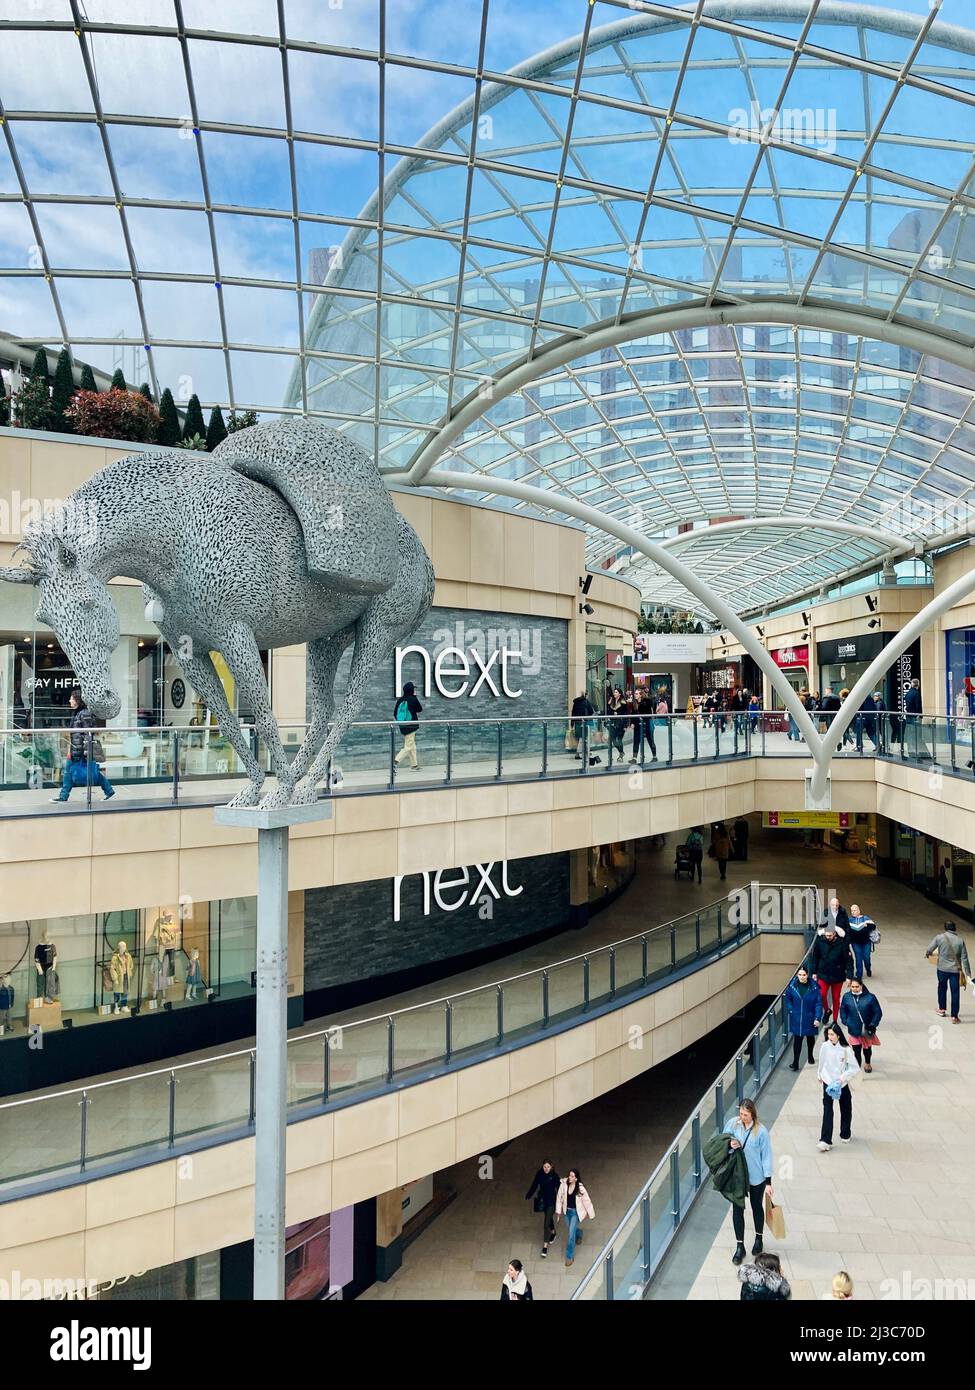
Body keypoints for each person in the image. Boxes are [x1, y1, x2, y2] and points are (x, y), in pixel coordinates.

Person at [725, 1098, 773, 1264]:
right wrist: (730, 1145)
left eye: (745, 1114)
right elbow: (723, 1140)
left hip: (756, 1177)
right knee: (737, 1209)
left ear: (752, 1114)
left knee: (756, 1207)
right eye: (741, 1114)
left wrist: (768, 1182)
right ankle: (740, 1246)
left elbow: (766, 1157)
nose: (742, 1117)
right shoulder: (733, 1124)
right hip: (738, 1176)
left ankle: (759, 1238)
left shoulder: (761, 1132)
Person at [50, 688, 115, 805]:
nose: (69, 700)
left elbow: (88, 733)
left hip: (81, 751)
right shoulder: (79, 713)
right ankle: (108, 790)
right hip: (76, 749)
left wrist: (86, 751)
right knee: (72, 772)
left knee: (76, 772)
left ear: (77, 700)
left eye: (71, 698)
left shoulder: (84, 713)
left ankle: (63, 796)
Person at [817, 1021, 859, 1151]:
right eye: (829, 1034)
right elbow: (822, 1062)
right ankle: (825, 1139)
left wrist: (841, 1079)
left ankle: (845, 1133)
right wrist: (819, 1075)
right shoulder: (825, 1046)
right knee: (827, 1109)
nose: (830, 1037)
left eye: (833, 1034)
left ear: (839, 1035)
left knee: (845, 1107)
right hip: (828, 1082)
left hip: (842, 1083)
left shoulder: (846, 1050)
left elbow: (854, 1068)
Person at [925, 920, 972, 1024]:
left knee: (942, 987)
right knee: (955, 992)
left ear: (945, 928)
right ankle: (954, 1016)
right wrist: (968, 974)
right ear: (955, 928)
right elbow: (965, 958)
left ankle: (942, 1009)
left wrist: (928, 954)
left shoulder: (939, 937)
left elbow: (929, 949)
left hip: (942, 969)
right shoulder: (960, 940)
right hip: (955, 971)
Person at [810, 915, 852, 1026]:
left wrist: (849, 976)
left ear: (834, 934)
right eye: (826, 935)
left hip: (838, 975)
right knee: (821, 995)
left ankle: (834, 1020)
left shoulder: (842, 944)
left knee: (836, 998)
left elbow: (848, 960)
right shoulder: (820, 942)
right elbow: (815, 957)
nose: (827, 937)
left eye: (830, 935)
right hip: (823, 973)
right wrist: (814, 972)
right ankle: (827, 1010)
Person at [839, 976, 882, 1074]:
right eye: (852, 987)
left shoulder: (871, 997)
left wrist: (873, 1024)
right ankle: (857, 1068)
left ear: (861, 986)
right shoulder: (847, 996)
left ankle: (867, 1062)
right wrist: (845, 1020)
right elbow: (843, 1009)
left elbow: (878, 1012)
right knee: (856, 1050)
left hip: (866, 1029)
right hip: (853, 1028)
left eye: (857, 986)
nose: (854, 989)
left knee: (867, 1049)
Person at [555, 1168, 595, 1268]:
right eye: (569, 1175)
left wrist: (591, 1213)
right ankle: (579, 1233)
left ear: (576, 1178)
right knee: (571, 1230)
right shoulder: (563, 1185)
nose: (570, 1177)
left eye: (572, 1176)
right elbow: (559, 1198)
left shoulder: (580, 1188)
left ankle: (569, 1257)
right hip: (567, 1212)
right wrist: (558, 1211)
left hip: (575, 1214)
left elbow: (586, 1200)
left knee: (570, 1235)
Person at [785, 964, 821, 1069]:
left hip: (809, 1016)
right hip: (797, 1017)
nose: (801, 977)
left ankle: (810, 1055)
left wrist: (817, 1017)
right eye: (800, 975)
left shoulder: (814, 988)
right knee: (797, 1040)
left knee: (810, 1037)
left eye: (804, 975)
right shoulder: (792, 987)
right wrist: (791, 1009)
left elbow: (818, 1004)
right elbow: (788, 999)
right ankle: (795, 1062)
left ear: (807, 975)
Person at [525, 1160, 560, 1257]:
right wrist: (529, 1194)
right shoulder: (540, 1174)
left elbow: (560, 1188)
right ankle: (553, 1232)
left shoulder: (554, 1176)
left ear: (551, 1167)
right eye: (545, 1167)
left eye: (548, 1167)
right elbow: (535, 1184)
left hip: (552, 1202)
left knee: (545, 1224)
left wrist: (562, 1201)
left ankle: (545, 1246)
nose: (546, 1169)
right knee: (548, 1218)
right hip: (543, 1200)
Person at [393, 680, 423, 770]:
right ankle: (395, 762)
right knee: (408, 746)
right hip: (411, 726)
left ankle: (414, 765)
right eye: (414, 689)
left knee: (412, 745)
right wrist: (415, 697)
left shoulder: (400, 700)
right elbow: (419, 709)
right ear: (411, 690)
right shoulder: (412, 699)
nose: (415, 690)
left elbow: (395, 713)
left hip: (403, 726)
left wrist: (402, 723)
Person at [845, 903, 875, 980]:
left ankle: (868, 969)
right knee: (858, 958)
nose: (853, 912)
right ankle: (859, 975)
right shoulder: (850, 920)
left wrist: (867, 925)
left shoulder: (865, 918)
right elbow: (847, 931)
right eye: (851, 911)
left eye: (854, 910)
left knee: (866, 958)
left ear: (859, 911)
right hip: (855, 943)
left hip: (866, 942)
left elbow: (873, 926)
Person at [630, 690, 657, 763]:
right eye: (634, 693)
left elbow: (648, 712)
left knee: (650, 740)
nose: (635, 695)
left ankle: (654, 756)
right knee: (636, 740)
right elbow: (633, 714)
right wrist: (632, 723)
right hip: (637, 724)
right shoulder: (634, 703)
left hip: (646, 724)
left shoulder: (647, 702)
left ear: (641, 695)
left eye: (636, 694)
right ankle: (634, 758)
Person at [570, 690, 595, 760]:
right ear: (586, 696)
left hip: (577, 723)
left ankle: (587, 752)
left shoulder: (576, 702)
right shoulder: (586, 702)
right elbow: (591, 711)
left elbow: (573, 713)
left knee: (582, 739)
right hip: (584, 722)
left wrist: (572, 723)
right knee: (583, 738)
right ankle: (578, 754)